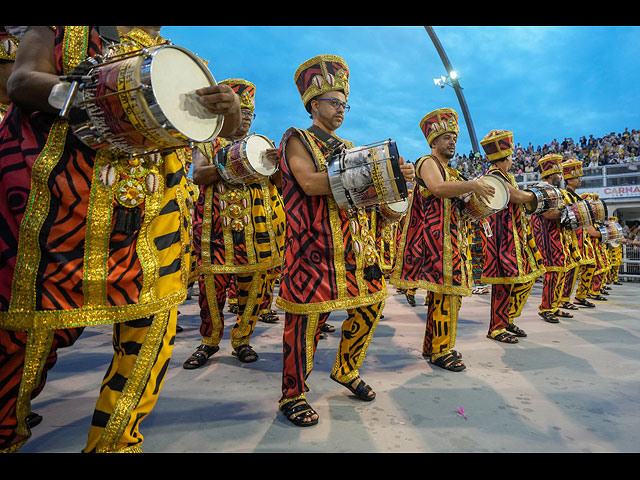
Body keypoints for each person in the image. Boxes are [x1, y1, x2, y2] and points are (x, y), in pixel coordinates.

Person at [0, 26, 240, 453]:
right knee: (23, 343)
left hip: (153, 222)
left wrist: (231, 110)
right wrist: (103, 98)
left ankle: (115, 445)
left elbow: (222, 135)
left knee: (152, 334)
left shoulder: (178, 60)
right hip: (55, 215)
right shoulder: (57, 27)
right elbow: (21, 81)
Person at [276, 54, 414, 427]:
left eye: (344, 103)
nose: (341, 110)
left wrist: (395, 181)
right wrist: (378, 170)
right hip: (313, 247)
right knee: (305, 323)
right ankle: (293, 393)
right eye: (334, 103)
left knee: (370, 308)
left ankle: (346, 369)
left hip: (356, 246)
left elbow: (369, 195)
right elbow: (310, 183)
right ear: (313, 103)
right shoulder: (296, 139)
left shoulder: (349, 145)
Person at [183, 78, 285, 368]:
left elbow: (278, 183)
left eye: (250, 115)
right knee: (210, 292)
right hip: (214, 232)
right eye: (242, 113)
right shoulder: (207, 140)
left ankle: (242, 340)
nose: (246, 120)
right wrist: (240, 163)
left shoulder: (263, 145)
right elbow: (199, 175)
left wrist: (276, 164)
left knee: (253, 289)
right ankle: (209, 342)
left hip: (257, 235)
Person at [391, 107, 494, 371]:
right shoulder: (427, 162)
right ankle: (441, 350)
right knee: (445, 296)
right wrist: (474, 184)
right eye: (447, 137)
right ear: (433, 141)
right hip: (436, 244)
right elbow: (437, 189)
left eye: (454, 138)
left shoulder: (454, 172)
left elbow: (461, 203)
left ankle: (435, 345)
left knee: (447, 297)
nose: (452, 142)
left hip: (451, 241)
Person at [477, 130, 545, 343]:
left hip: (514, 236)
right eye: (511, 157)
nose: (512, 160)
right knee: (503, 283)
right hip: (501, 239)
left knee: (525, 277)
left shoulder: (506, 176)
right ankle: (497, 328)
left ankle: (506, 319)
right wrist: (534, 196)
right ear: (505, 159)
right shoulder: (494, 176)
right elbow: (515, 197)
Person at [529, 154, 571, 324]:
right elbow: (547, 214)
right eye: (559, 174)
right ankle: (546, 307)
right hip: (546, 232)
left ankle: (553, 305)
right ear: (552, 173)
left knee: (560, 268)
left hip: (554, 232)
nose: (561, 177)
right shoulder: (542, 189)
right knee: (552, 269)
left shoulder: (553, 190)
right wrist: (568, 213)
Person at [562, 161, 599, 308]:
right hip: (570, 239)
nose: (580, 180)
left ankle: (580, 296)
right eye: (577, 177)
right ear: (569, 180)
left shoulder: (577, 198)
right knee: (571, 270)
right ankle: (563, 300)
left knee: (590, 265)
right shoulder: (565, 196)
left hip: (582, 239)